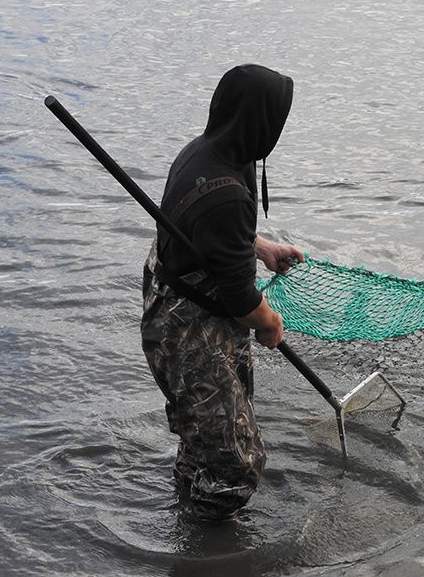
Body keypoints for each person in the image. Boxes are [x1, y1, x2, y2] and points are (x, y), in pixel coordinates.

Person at [140, 64, 304, 521]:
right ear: (259, 122)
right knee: (236, 463)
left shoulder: (208, 152)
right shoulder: (225, 188)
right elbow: (241, 300)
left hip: (187, 309)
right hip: (187, 332)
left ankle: (190, 511)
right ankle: (208, 549)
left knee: (205, 442)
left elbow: (209, 235)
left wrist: (261, 247)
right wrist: (271, 324)